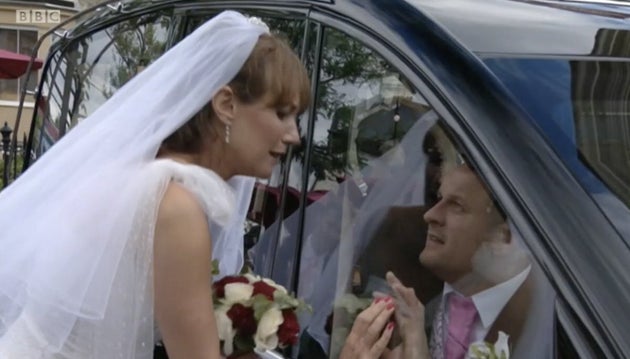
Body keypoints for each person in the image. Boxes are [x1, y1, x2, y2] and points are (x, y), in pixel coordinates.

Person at [0, 11, 310, 359]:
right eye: (282, 113)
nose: (294, 135)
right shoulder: (176, 207)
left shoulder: (147, 178)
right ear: (226, 105)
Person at [340, 146, 554, 359]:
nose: (430, 215)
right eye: (439, 198)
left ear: (501, 237)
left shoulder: (547, 326)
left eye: (457, 206)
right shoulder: (417, 301)